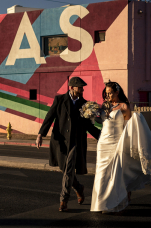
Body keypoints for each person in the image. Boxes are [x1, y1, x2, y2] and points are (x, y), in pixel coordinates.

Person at [90, 81, 151, 213]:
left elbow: (128, 127)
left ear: (117, 92)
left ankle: (112, 203)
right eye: (106, 93)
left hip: (116, 142)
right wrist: (92, 114)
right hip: (103, 143)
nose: (107, 95)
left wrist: (129, 145)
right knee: (101, 174)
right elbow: (102, 121)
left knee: (115, 174)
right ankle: (101, 203)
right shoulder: (105, 106)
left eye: (110, 93)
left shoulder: (124, 107)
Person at [36, 77, 101, 212]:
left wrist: (103, 137)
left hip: (76, 143)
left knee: (69, 169)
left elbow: (89, 126)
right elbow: (50, 117)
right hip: (60, 142)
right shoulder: (59, 100)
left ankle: (63, 200)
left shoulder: (85, 104)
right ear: (72, 88)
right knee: (64, 169)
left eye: (82, 88)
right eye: (80, 88)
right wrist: (40, 134)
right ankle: (78, 187)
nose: (82, 90)